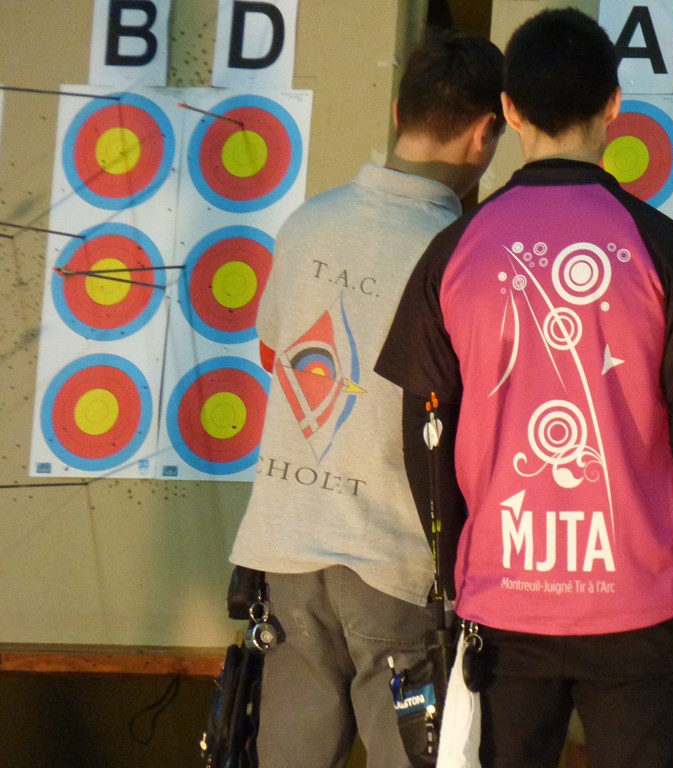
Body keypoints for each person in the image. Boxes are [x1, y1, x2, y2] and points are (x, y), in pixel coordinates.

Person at [375, 9, 673, 768]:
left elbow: (425, 432)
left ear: (509, 110)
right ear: (614, 105)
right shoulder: (670, 251)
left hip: (502, 608)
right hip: (647, 608)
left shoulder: (453, 251)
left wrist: (454, 576)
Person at [227, 30, 504, 768]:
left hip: (286, 553)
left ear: (397, 112)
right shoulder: (465, 252)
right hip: (396, 563)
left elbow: (276, 360)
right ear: (485, 132)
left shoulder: (306, 224)